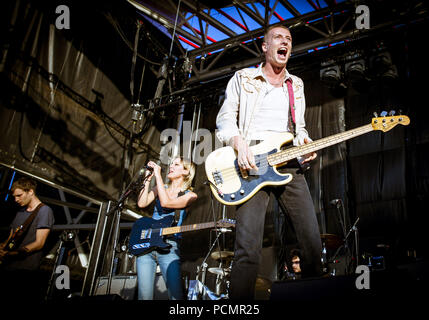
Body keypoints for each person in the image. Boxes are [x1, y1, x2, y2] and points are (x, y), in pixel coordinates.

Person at [216, 25, 322, 299]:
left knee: (311, 242)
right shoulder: (244, 78)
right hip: (252, 163)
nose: (284, 41)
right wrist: (239, 145)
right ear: (265, 46)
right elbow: (225, 119)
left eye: (288, 39)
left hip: (288, 162)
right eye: (278, 37)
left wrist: (306, 145)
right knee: (247, 249)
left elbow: (300, 129)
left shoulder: (295, 84)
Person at [136, 156, 197, 300]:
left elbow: (166, 203)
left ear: (186, 172)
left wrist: (158, 174)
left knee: (176, 296)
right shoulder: (160, 187)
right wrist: (148, 179)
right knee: (144, 296)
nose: (171, 166)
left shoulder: (191, 195)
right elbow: (142, 203)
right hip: (148, 243)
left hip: (170, 246)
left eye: (176, 164)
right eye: (172, 164)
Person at [0, 177, 54, 300]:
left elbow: (39, 243)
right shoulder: (20, 212)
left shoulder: (44, 211)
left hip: (25, 271)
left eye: (19, 195)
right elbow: (11, 237)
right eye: (14, 196)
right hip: (7, 266)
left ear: (30, 192)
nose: (16, 199)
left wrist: (13, 253)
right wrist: (2, 247)